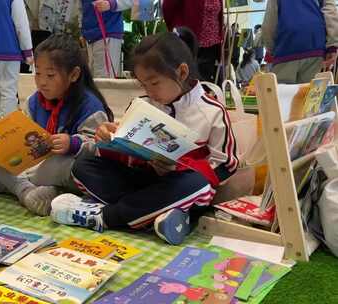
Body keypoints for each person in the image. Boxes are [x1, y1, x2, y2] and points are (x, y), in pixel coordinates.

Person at [50, 28, 238, 246]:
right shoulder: (143, 106)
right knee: (82, 167)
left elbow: (225, 166)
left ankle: (106, 217)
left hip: (180, 185)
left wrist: (178, 167)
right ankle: (156, 216)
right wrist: (108, 140)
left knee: (199, 185)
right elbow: (124, 153)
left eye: (154, 83)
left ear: (182, 72)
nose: (149, 91)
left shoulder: (212, 111)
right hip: (143, 183)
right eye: (143, 84)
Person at [0, 34, 114, 216]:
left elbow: (97, 147)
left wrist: (72, 143)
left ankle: (11, 186)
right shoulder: (34, 101)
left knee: (69, 167)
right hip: (33, 164)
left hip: (61, 166)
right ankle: (29, 191)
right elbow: (24, 132)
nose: (42, 81)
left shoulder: (89, 105)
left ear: (73, 75)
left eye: (50, 75)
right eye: (37, 73)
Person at [263, 0, 338, 84]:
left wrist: (272, 49)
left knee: (281, 93)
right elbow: (330, 10)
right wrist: (332, 45)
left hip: (287, 44)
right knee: (310, 93)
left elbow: (268, 26)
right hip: (315, 43)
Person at [162, 0, 223, 83]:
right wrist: (176, 26)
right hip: (189, 42)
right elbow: (167, 7)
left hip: (212, 44)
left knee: (206, 80)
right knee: (189, 79)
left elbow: (218, 17)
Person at [83, 0, 134, 78]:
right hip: (90, 35)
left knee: (104, 79)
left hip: (108, 31)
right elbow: (81, 7)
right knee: (94, 79)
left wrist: (111, 4)